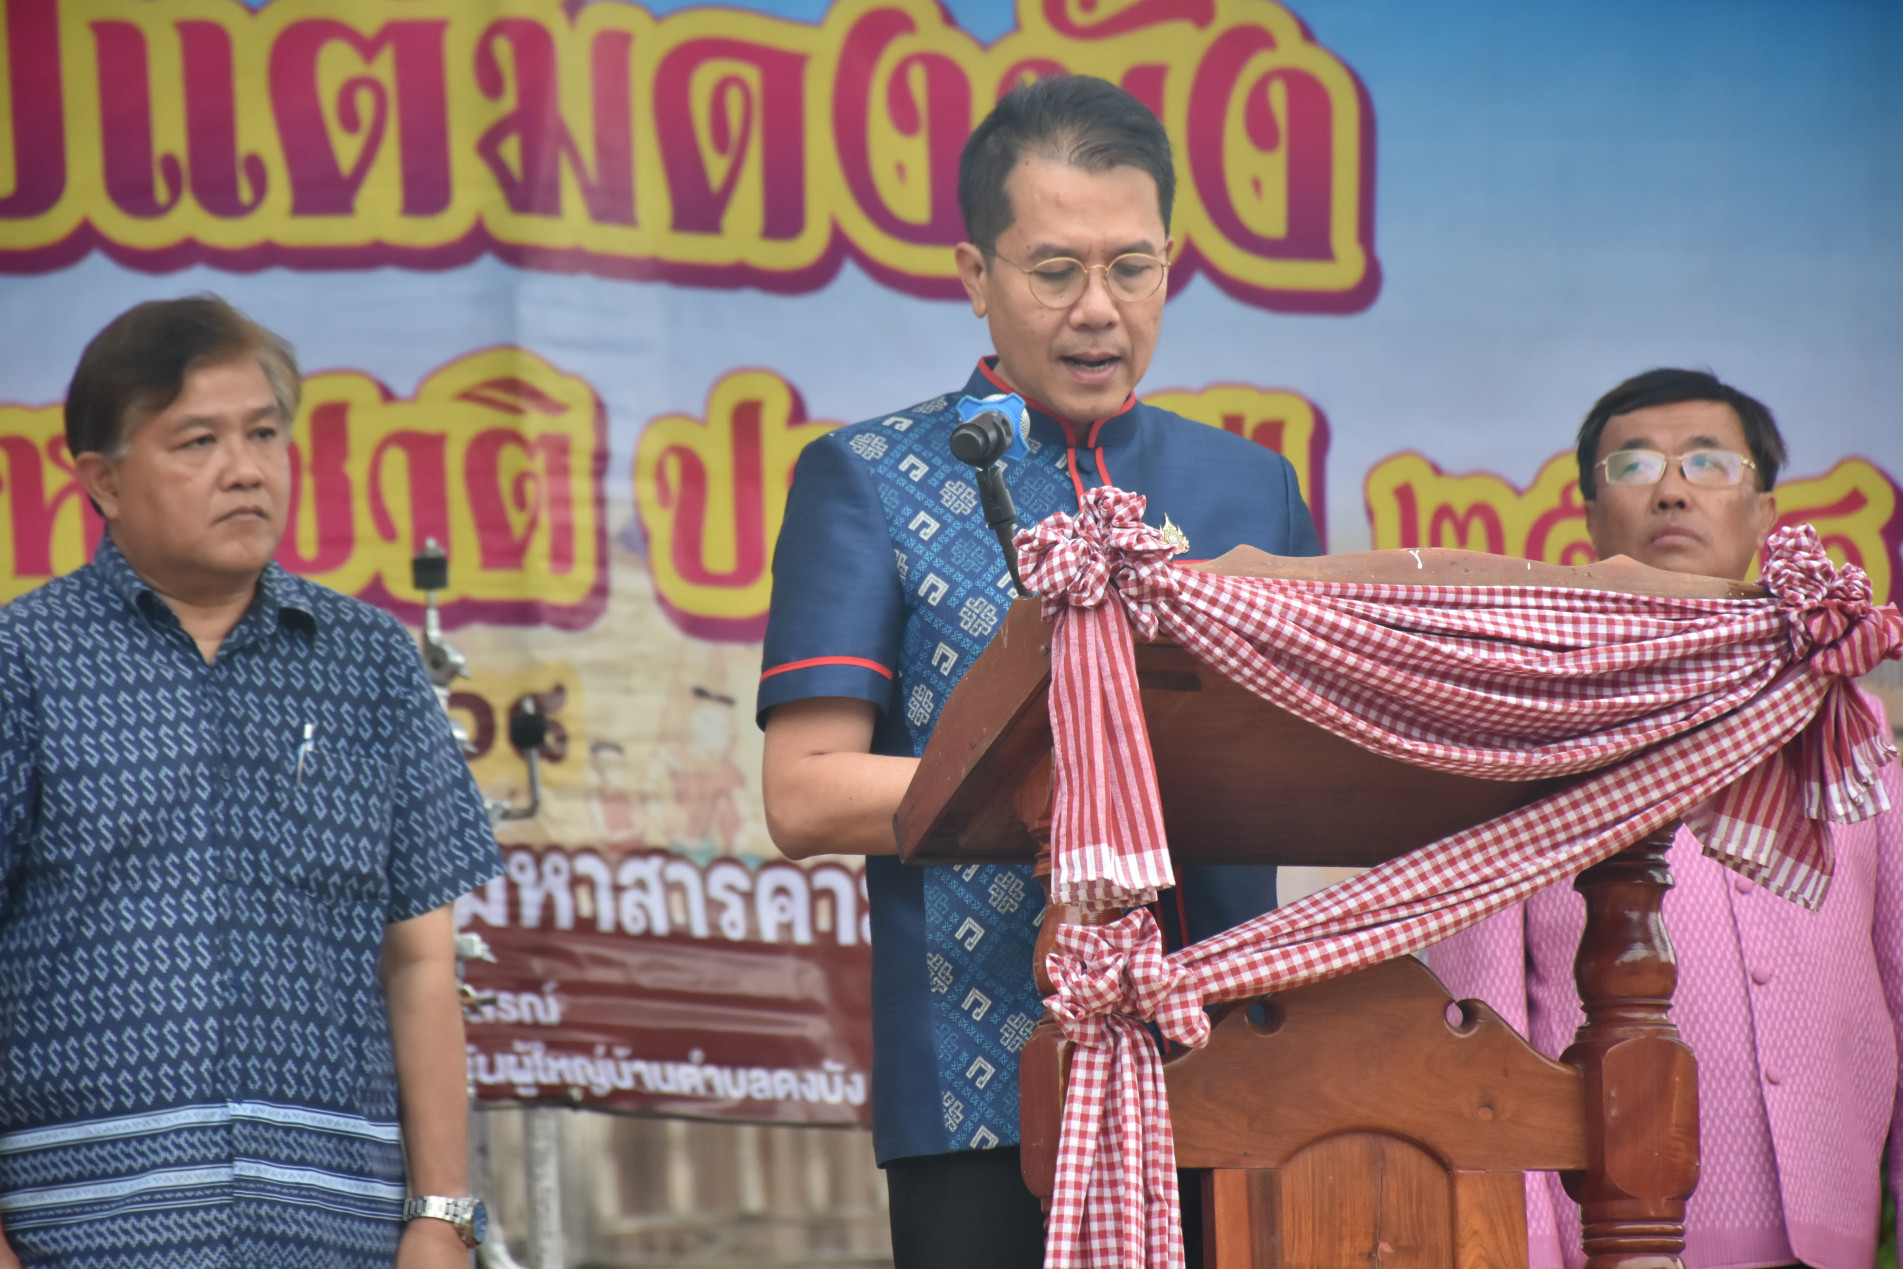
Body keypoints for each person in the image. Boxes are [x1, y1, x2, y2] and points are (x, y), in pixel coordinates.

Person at [758, 75, 1322, 1269]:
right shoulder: (866, 478)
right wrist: (1063, 791)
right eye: (1053, 271)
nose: (1099, 311)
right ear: (975, 275)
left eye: (1133, 267)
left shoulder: (1247, 488)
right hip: (984, 1088)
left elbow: (1313, 755)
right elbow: (805, 793)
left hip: (1234, 1066)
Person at [0, 296, 502, 1267]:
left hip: (336, 1230)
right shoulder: (24, 664)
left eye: (264, 434)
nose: (245, 468)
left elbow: (420, 963)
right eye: (197, 441)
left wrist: (441, 1219)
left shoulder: (369, 662)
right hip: (84, 1233)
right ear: (102, 481)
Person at [1430, 368, 1903, 1269]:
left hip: (1825, 1235)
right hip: (1602, 1233)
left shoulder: (1843, 714)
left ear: (1764, 513)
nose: (1672, 486)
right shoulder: (1528, 713)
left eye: (1708, 462)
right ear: (1590, 516)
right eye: (1634, 463)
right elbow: (1478, 1016)